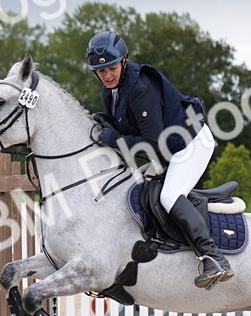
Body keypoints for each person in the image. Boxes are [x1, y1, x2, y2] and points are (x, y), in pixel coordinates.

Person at [86, 30, 233, 288]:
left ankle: (213, 257)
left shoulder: (140, 87)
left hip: (191, 143)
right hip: (169, 150)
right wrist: (107, 122)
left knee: (168, 195)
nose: (106, 76)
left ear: (123, 61)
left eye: (111, 68)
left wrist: (112, 139)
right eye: (101, 71)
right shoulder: (111, 91)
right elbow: (134, 127)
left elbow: (153, 144)